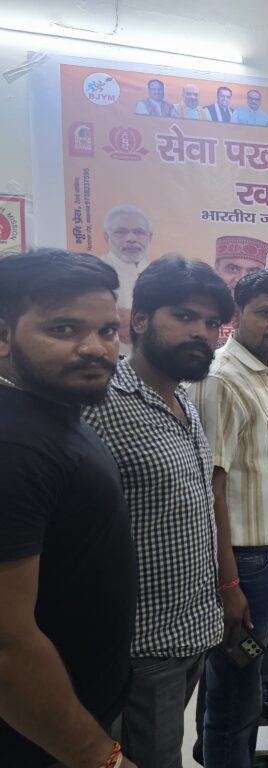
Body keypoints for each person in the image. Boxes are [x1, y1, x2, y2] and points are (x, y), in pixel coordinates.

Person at [82, 255, 233, 768]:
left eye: (211, 323)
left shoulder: (183, 400)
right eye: (184, 316)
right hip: (140, 646)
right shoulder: (100, 404)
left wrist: (224, 590)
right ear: (140, 320)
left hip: (191, 629)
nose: (202, 333)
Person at [0, 250, 136, 768]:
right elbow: (6, 645)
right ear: (4, 336)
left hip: (75, 714)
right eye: (63, 329)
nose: (95, 348)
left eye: (107, 330)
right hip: (43, 742)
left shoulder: (53, 411)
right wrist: (99, 757)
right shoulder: (14, 444)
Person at [190, 269, 268, 766]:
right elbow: (211, 487)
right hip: (248, 565)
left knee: (252, 681)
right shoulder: (222, 379)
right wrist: (227, 585)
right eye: (265, 312)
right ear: (236, 315)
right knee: (235, 693)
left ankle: (235, 757)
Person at [101, 204, 153, 346]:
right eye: (120, 232)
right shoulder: (95, 272)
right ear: (106, 237)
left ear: (149, 237)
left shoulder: (159, 273)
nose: (131, 239)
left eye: (139, 232)